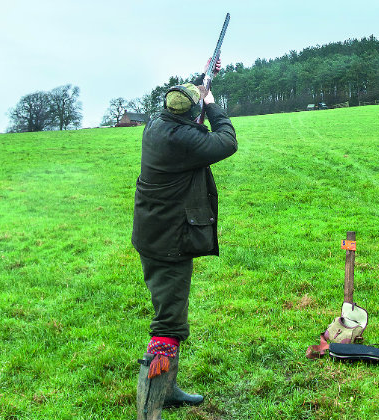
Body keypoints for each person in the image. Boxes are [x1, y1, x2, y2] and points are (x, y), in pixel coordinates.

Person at [131, 60, 237, 420]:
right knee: (168, 324)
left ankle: (169, 390)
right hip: (169, 241)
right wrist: (210, 104)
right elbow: (227, 140)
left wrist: (204, 79)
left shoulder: (156, 123)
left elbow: (183, 102)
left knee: (169, 313)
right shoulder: (184, 140)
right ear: (192, 114)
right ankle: (150, 408)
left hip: (154, 231)